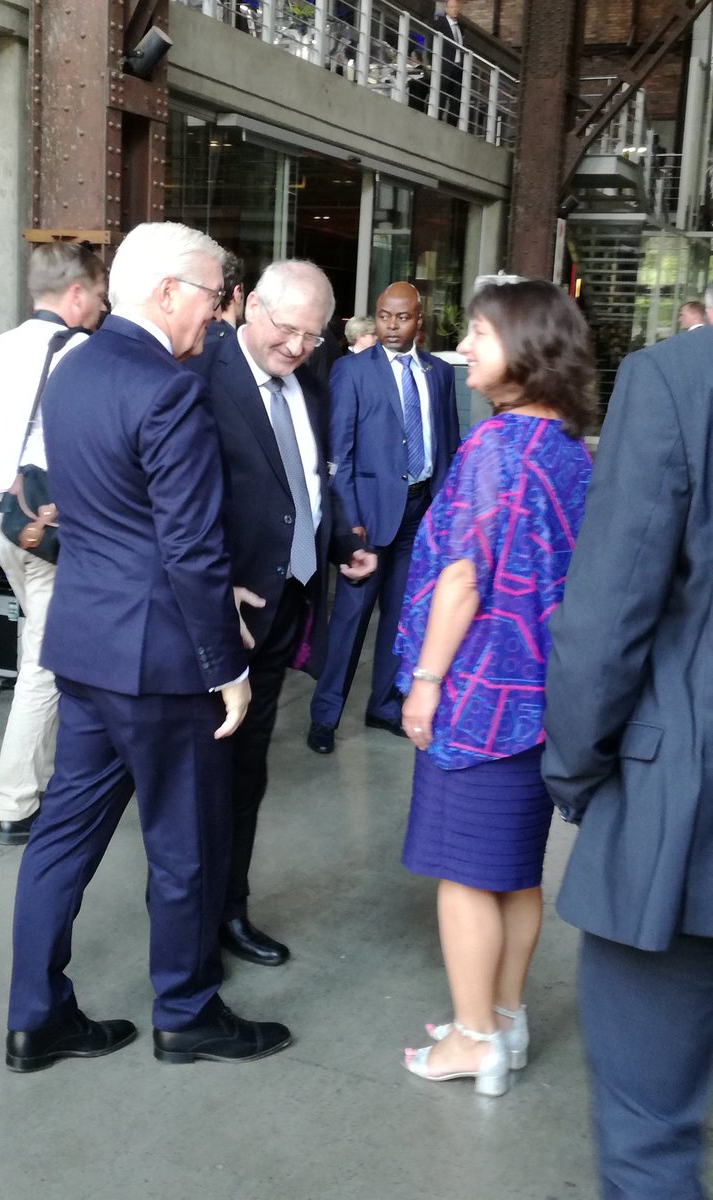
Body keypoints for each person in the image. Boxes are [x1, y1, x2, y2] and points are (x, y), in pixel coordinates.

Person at [6, 221, 291, 1072]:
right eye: (213, 296)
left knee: (61, 837)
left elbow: (106, 515)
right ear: (169, 291)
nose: (219, 313)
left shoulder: (75, 368)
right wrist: (228, 666)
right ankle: (186, 1012)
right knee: (185, 847)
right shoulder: (168, 388)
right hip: (162, 665)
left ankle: (34, 1018)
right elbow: (190, 547)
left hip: (86, 645)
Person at [396, 280, 595, 1097]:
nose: (465, 347)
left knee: (465, 874)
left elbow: (463, 580)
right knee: (515, 871)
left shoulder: (496, 448)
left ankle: (473, 1039)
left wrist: (425, 683)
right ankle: (504, 1018)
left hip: (478, 697)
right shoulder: (571, 449)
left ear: (528, 350)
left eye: (480, 333)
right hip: (539, 699)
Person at [542, 297, 713, 1195]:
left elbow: (604, 622)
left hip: (685, 819)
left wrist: (577, 775)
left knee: (650, 1131)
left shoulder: (680, 382)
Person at [189, 259, 377, 967]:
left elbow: (300, 489)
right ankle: (191, 937)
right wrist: (211, 601)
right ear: (247, 305)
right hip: (221, 620)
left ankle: (230, 910)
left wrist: (335, 549)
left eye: (313, 334)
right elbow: (183, 509)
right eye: (286, 327)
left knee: (247, 774)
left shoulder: (312, 384)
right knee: (199, 784)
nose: (297, 346)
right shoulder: (204, 379)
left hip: (281, 614)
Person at [0, 242, 108, 845]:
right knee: (42, 667)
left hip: (3, 520)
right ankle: (17, 802)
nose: (102, 308)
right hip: (51, 529)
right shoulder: (80, 352)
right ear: (75, 294)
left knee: (41, 647)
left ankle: (44, 779)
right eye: (99, 296)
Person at [307, 282, 459, 755]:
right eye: (384, 316)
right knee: (350, 621)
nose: (392, 325)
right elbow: (339, 457)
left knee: (401, 615)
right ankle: (324, 716)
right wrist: (348, 522)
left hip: (419, 511)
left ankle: (384, 706)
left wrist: (444, 513)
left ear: (420, 321)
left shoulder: (438, 373)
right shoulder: (352, 372)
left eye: (402, 317)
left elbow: (448, 446)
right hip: (368, 520)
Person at [434, 0, 465, 126]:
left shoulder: (461, 26)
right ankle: (438, 119)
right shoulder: (439, 24)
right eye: (452, 7)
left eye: (456, 7)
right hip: (445, 66)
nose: (455, 9)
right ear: (446, 9)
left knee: (456, 98)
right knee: (442, 94)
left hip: (458, 66)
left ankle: (453, 124)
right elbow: (432, 43)